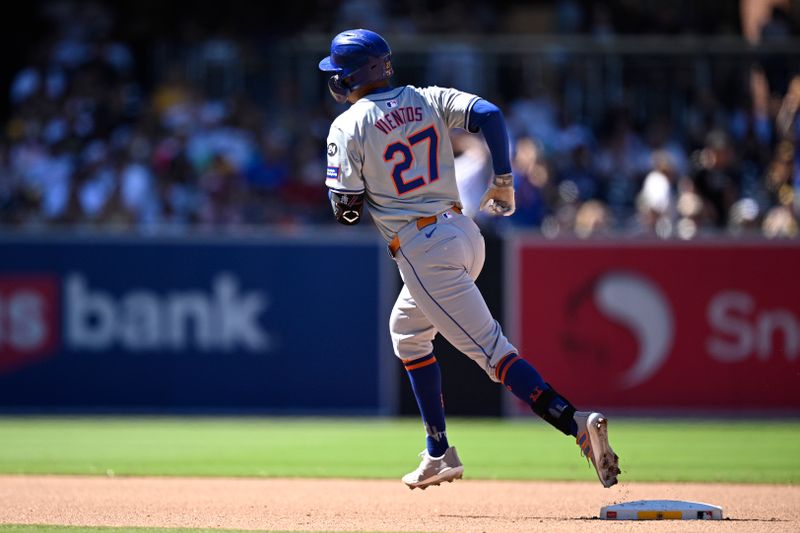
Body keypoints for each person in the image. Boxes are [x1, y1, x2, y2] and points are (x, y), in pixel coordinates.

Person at [319, 29, 620, 490]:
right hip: (463, 231)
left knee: (494, 354)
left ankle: (575, 421)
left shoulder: (347, 124)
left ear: (351, 75)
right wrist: (503, 179)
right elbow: (489, 113)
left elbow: (346, 210)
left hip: (422, 250)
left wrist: (362, 188)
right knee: (408, 334)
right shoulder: (426, 97)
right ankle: (438, 452)